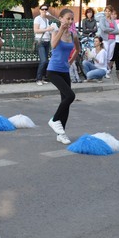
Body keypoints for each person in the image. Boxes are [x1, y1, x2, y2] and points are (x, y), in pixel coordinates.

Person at [46, 9, 77, 145]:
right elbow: (53, 45)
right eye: (68, 18)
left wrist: (70, 62)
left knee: (66, 102)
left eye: (72, 19)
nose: (70, 21)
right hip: (53, 70)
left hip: (65, 71)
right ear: (60, 19)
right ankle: (54, 120)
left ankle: (61, 133)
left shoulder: (73, 35)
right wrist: (61, 30)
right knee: (70, 96)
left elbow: (78, 49)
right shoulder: (55, 31)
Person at [34, 4, 57, 85]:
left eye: (46, 9)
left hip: (47, 41)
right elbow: (36, 30)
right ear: (40, 10)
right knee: (43, 60)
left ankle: (42, 78)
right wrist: (47, 29)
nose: (44, 11)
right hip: (40, 41)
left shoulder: (47, 20)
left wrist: (51, 29)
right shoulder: (37, 19)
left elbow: (48, 31)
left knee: (46, 61)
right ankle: (38, 79)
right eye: (42, 9)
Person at [96, 5, 117, 79]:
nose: (107, 12)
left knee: (110, 56)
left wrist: (111, 30)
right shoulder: (102, 19)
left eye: (109, 11)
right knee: (105, 54)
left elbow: (117, 30)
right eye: (106, 11)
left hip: (113, 39)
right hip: (105, 39)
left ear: (111, 12)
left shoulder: (113, 20)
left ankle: (106, 69)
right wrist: (112, 29)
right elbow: (103, 29)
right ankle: (105, 71)